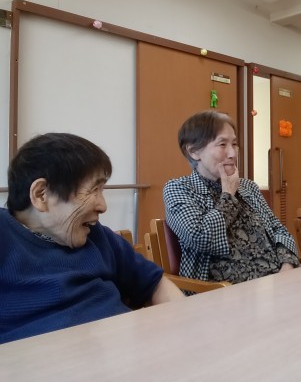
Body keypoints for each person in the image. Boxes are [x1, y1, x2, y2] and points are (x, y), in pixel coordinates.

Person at [0, 133, 184, 344]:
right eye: (93, 190)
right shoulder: (5, 237)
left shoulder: (96, 235)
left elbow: (155, 283)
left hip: (125, 350)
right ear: (42, 195)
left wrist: (184, 328)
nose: (103, 206)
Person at [163, 110, 300, 285]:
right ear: (194, 151)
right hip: (221, 292)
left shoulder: (248, 186)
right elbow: (201, 238)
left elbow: (279, 230)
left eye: (234, 144)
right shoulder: (179, 189)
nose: (233, 154)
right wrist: (228, 194)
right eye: (222, 145)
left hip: (275, 283)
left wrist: (287, 267)